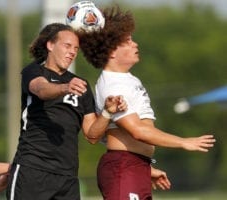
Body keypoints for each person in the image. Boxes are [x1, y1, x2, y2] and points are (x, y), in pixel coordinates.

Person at [77, 7, 216, 200]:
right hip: (123, 168)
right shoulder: (114, 84)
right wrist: (183, 142)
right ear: (111, 52)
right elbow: (138, 131)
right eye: (127, 41)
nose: (135, 44)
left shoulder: (128, 80)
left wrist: (145, 167)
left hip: (136, 167)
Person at [6, 23, 127, 200]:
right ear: (50, 45)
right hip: (32, 170)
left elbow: (92, 135)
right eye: (67, 46)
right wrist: (64, 88)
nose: (72, 52)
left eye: (76, 49)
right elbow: (41, 89)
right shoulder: (34, 71)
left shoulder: (81, 84)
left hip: (67, 178)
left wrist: (108, 113)